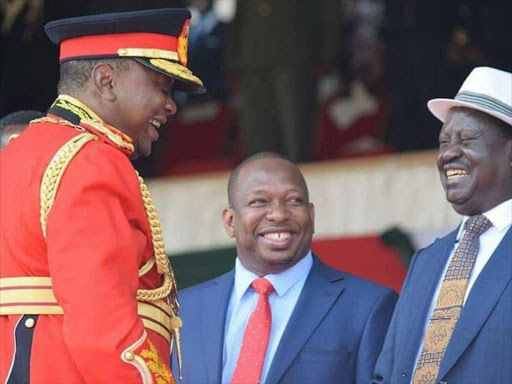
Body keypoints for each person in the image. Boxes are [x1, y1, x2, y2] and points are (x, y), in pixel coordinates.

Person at [0, 8, 204, 384]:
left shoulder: (17, 153)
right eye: (161, 85)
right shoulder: (91, 160)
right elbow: (103, 333)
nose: (171, 104)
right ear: (106, 81)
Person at [172, 152, 398, 384]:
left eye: (293, 201)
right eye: (259, 201)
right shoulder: (184, 311)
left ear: (311, 215)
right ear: (230, 222)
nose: (279, 214)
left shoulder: (367, 307)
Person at [373, 66, 512, 384]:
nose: (447, 154)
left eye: (466, 140)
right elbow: (387, 373)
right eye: (443, 142)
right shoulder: (427, 260)